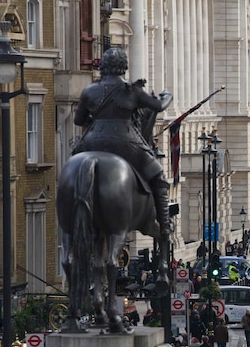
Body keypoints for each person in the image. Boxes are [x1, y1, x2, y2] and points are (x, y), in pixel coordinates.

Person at [73, 47, 174, 238]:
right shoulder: (132, 90)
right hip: (126, 143)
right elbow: (158, 106)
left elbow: (78, 120)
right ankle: (164, 224)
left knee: (73, 168)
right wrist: (167, 96)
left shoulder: (89, 90)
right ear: (124, 66)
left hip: (92, 142)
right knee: (158, 176)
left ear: (103, 66)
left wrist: (96, 123)